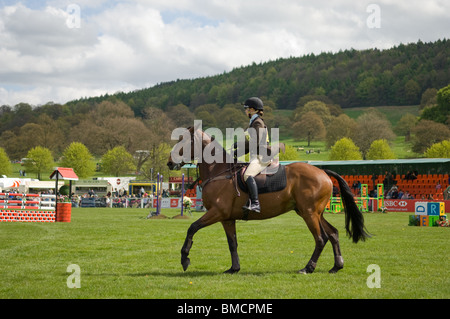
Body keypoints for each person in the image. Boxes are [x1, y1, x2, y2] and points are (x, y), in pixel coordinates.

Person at [233, 97, 272, 214]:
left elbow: (256, 142)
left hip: (262, 156)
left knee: (247, 175)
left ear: (252, 110)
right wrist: (237, 151)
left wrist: (239, 145)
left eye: (246, 109)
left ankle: (255, 203)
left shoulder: (258, 123)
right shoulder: (252, 123)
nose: (245, 111)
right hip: (256, 155)